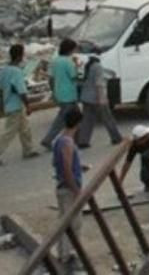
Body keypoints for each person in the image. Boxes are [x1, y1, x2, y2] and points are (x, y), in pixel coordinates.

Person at [52, 107, 84, 268]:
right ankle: (66, 256)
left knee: (65, 221)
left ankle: (65, 254)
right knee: (72, 223)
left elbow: (62, 164)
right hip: (68, 189)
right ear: (78, 123)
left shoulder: (59, 138)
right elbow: (66, 168)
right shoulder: (67, 142)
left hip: (63, 187)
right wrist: (76, 190)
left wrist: (80, 167)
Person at [0, 44, 39, 164]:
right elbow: (21, 91)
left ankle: (28, 150)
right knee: (9, 132)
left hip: (9, 103)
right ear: (20, 56)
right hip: (15, 104)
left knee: (25, 128)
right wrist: (28, 106)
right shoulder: (17, 71)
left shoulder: (5, 69)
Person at [76, 51, 121, 148]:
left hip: (86, 97)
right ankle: (116, 137)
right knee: (108, 118)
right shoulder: (98, 67)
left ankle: (83, 141)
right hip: (96, 97)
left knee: (87, 120)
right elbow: (99, 84)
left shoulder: (88, 66)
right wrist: (102, 98)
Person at [41, 38, 79, 150]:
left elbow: (51, 79)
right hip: (69, 94)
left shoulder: (55, 61)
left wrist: (54, 92)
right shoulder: (68, 61)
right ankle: (48, 140)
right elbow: (73, 76)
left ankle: (76, 140)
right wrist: (77, 65)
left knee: (76, 117)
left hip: (60, 93)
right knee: (62, 119)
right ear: (70, 50)